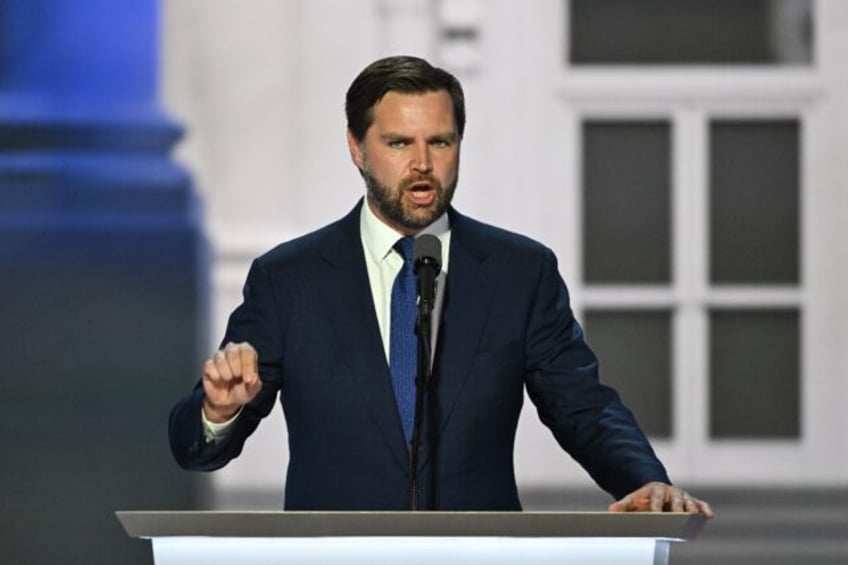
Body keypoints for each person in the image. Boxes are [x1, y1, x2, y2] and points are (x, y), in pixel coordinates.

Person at [169, 55, 713, 517]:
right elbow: (196, 451)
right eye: (400, 143)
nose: (423, 164)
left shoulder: (518, 272)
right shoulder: (289, 279)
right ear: (357, 149)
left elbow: (584, 407)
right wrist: (218, 414)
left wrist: (642, 480)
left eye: (441, 141)